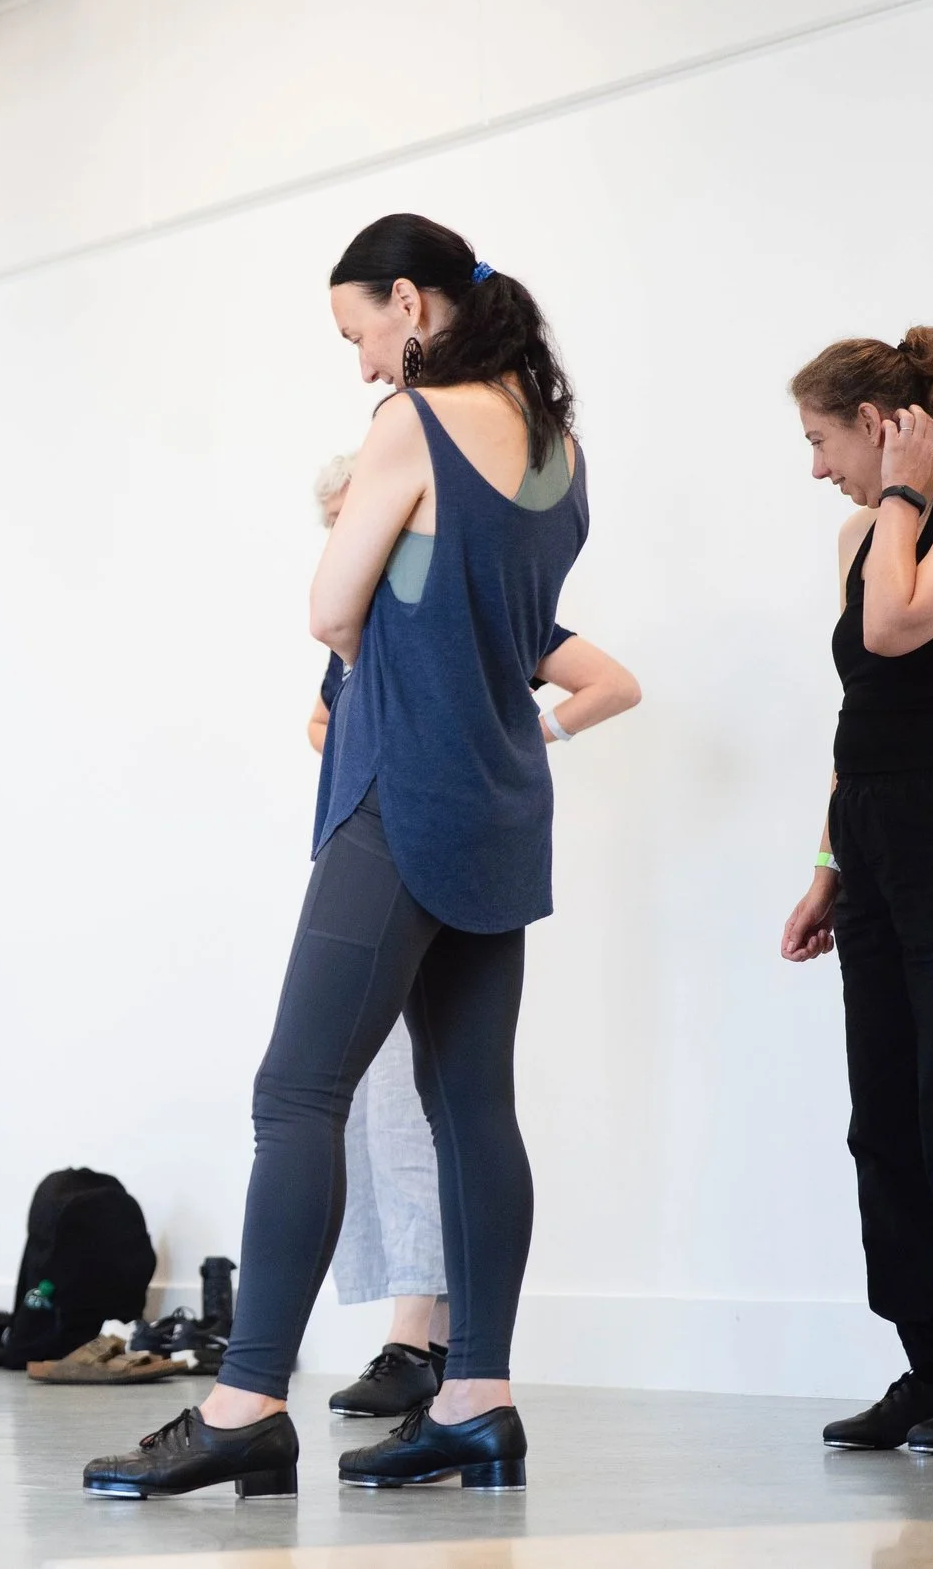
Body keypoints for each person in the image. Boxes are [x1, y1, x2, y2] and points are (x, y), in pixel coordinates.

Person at [85, 215, 587, 1499]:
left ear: (409, 304)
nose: (361, 362)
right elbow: (511, 622)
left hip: (399, 792)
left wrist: (374, 635)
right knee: (473, 1104)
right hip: (500, 797)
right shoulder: (558, 446)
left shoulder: (412, 423)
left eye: (359, 331)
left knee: (295, 1093)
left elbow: (328, 605)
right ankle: (475, 1399)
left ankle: (245, 1400)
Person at [307, 454, 640, 1421]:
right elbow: (322, 717)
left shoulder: (481, 612)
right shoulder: (368, 626)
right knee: (383, 1106)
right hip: (371, 844)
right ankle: (428, 1341)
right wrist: (373, 741)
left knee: (436, 1105)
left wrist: (532, 735)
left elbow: (612, 684)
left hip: (444, 855)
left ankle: (428, 1340)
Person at [778, 328, 933, 1455]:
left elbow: (893, 626)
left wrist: (902, 494)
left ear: (879, 426)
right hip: (874, 835)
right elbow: (861, 708)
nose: (816, 467)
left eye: (823, 440)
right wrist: (827, 865)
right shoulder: (857, 533)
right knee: (883, 1114)